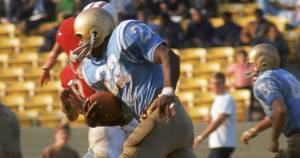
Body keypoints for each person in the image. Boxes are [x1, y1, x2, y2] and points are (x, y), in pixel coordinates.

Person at [73, 7, 196, 158]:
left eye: (80, 36)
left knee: (131, 150)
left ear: (95, 32)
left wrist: (168, 93)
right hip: (163, 125)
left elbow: (169, 57)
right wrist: (96, 118)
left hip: (164, 114)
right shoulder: (91, 71)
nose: (78, 42)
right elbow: (125, 115)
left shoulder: (124, 35)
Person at [240, 44, 300, 158]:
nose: (250, 68)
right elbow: (278, 112)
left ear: (263, 63)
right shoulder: (285, 74)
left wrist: (274, 140)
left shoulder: (264, 79)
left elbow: (280, 111)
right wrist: (255, 130)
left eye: (253, 64)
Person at [193, 72, 236, 158]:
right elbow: (214, 121)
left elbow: (219, 121)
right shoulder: (217, 99)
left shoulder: (227, 98)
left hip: (223, 144)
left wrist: (201, 137)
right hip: (218, 144)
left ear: (224, 83)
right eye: (212, 83)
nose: (215, 86)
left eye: (218, 83)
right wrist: (208, 119)